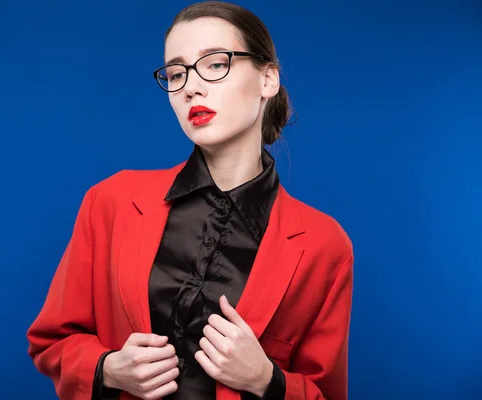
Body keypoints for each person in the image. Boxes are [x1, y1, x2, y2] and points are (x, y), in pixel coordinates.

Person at [26, 2, 353, 400]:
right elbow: (51, 342)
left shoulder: (324, 244)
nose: (191, 87)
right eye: (177, 73)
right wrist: (108, 369)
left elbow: (325, 393)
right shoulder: (111, 201)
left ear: (268, 78)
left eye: (215, 64)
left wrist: (267, 379)